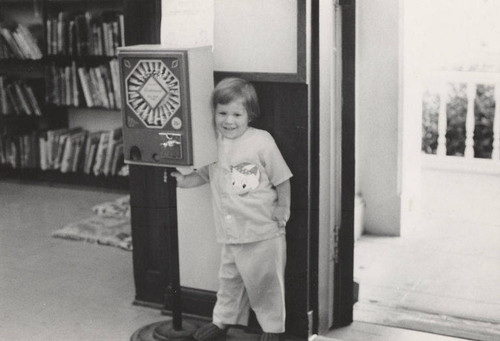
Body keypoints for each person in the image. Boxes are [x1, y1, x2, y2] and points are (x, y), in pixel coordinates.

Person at [171, 77, 292, 341]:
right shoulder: (213, 143)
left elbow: (282, 177)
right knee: (229, 280)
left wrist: (283, 206)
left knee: (266, 284)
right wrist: (184, 181)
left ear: (250, 115)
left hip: (261, 230)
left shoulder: (261, 141)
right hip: (230, 231)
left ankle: (272, 329)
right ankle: (222, 321)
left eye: (237, 114)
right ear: (214, 113)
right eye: (222, 113)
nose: (229, 120)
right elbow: (205, 175)